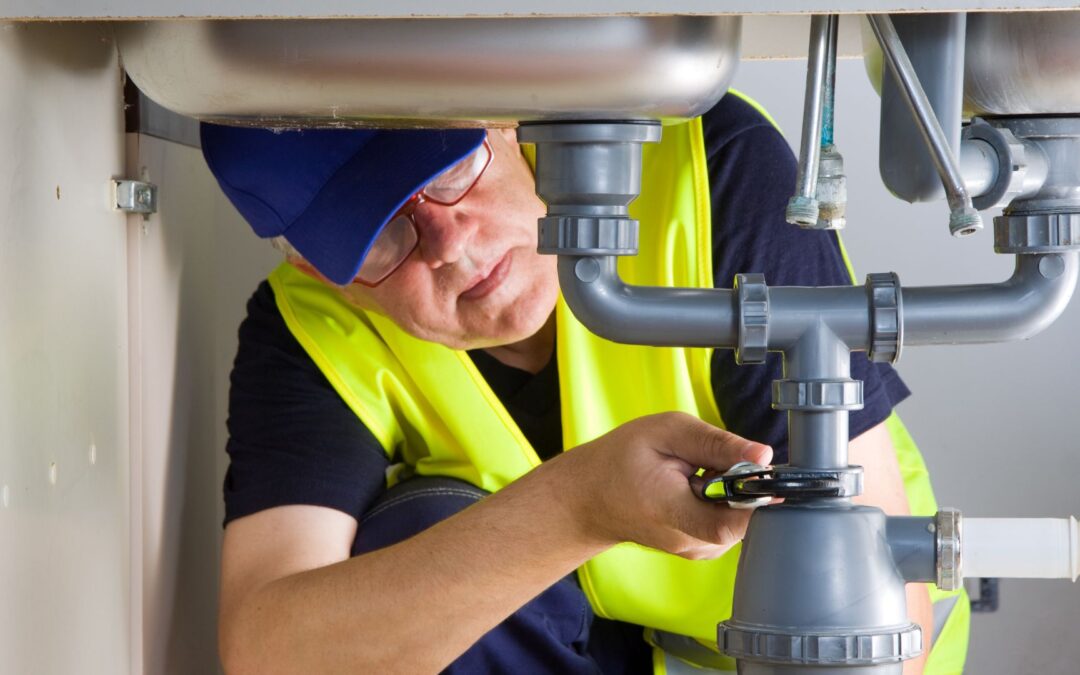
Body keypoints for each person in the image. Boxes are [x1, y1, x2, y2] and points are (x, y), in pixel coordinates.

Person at [202, 92, 965, 675]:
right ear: (318, 266)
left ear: (502, 121)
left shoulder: (706, 166)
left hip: (844, 648)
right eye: (381, 236)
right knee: (414, 540)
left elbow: (888, 626)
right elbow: (274, 646)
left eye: (450, 171)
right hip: (591, 649)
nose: (451, 245)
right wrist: (573, 506)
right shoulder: (309, 328)